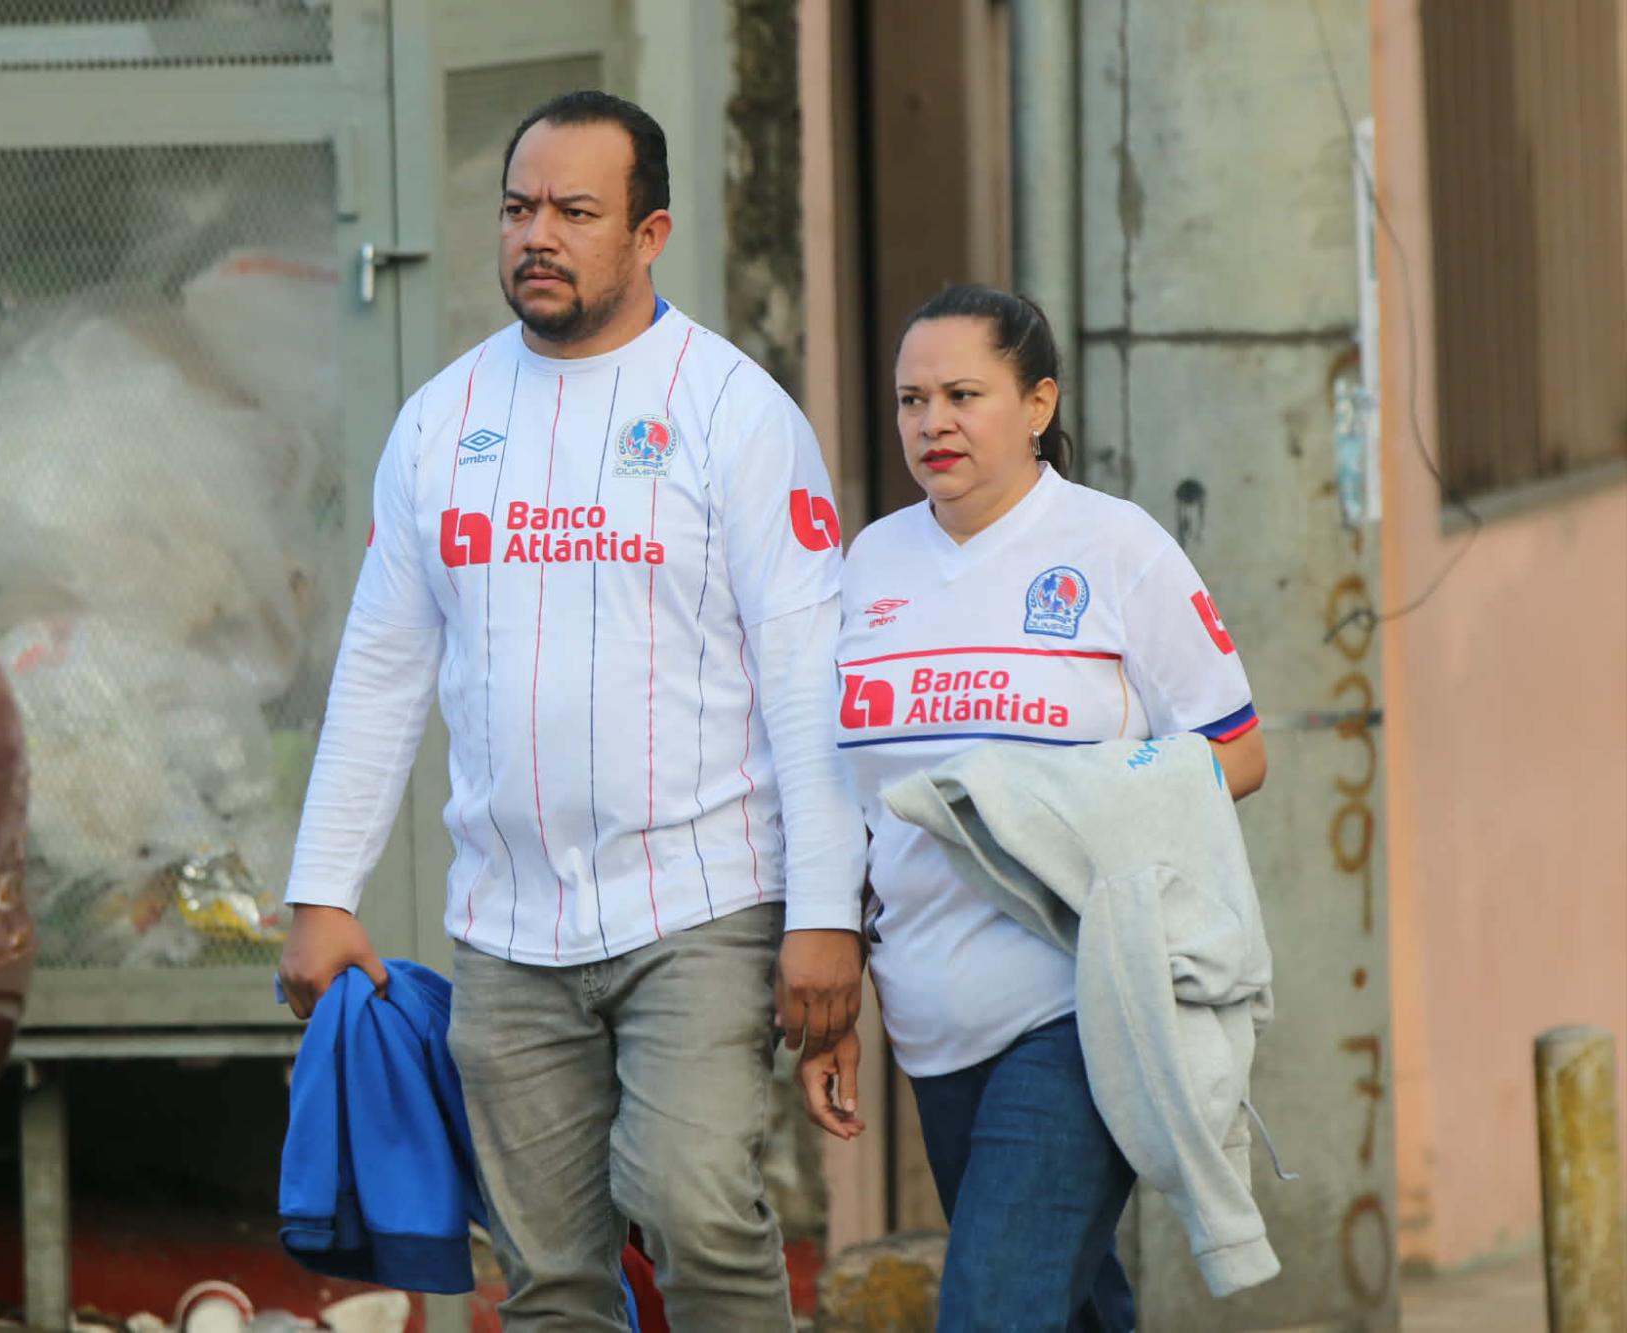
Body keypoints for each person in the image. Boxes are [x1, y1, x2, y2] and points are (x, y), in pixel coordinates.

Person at [275, 90, 866, 1329]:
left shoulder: (735, 414)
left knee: (694, 1205)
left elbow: (812, 684)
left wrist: (824, 915)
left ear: (648, 234)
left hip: (700, 903)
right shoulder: (440, 421)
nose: (535, 234)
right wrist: (323, 890)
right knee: (549, 1277)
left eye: (573, 211)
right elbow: (381, 669)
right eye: (516, 207)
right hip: (506, 925)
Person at [802, 283, 1267, 1330]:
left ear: (1038, 403)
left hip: (1077, 1001)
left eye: (964, 393)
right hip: (928, 1009)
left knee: (992, 1307)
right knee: (1066, 1300)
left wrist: (1064, 799)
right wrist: (835, 979)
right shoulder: (867, 564)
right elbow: (843, 793)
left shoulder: (1115, 546)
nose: (933, 423)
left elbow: (1234, 752)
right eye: (910, 399)